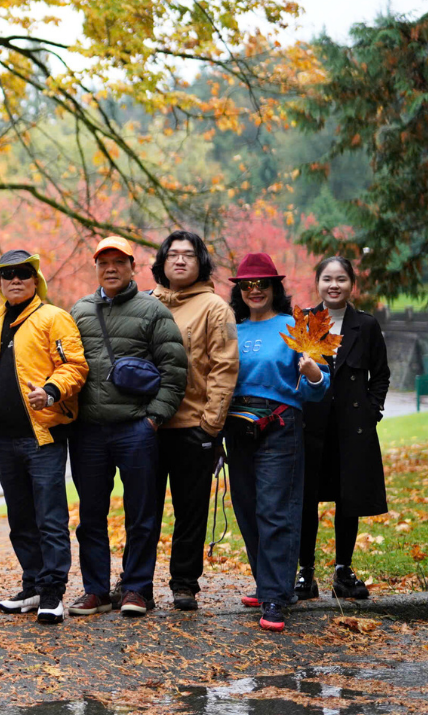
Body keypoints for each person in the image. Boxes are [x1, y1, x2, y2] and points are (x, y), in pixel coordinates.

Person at [68, 237, 187, 619]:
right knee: (90, 515)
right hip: (88, 431)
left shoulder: (152, 310)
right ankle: (95, 591)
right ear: (97, 268)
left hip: (135, 428)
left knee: (141, 513)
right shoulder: (80, 311)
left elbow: (175, 370)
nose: (111, 268)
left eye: (119, 262)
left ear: (133, 267)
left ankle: (136, 588)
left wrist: (153, 419)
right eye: (104, 263)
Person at [0, 251, 88, 625]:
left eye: (23, 273)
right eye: (7, 274)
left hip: (44, 436)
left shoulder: (54, 318)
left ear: (35, 278)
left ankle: (53, 591)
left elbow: (75, 366)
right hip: (5, 439)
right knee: (21, 520)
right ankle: (33, 585)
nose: (15, 280)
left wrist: (51, 391)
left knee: (50, 518)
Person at [226, 252, 329, 632]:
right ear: (239, 291)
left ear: (274, 287)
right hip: (238, 426)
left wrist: (313, 373)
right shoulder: (231, 330)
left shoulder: (296, 326)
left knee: (275, 509)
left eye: (262, 284)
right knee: (247, 507)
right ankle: (268, 581)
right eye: (247, 285)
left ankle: (275, 596)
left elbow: (319, 388)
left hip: (281, 424)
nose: (255, 290)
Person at [146, 231, 239, 611]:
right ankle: (136, 582)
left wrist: (209, 426)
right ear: (162, 262)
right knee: (142, 512)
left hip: (193, 428)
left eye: (188, 255)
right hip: (148, 428)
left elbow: (225, 367)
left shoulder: (215, 308)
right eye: (173, 255)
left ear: (200, 262)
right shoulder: (145, 304)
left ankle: (185, 583)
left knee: (190, 511)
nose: (180, 261)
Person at [295, 256, 389, 601]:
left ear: (351, 284)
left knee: (349, 497)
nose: (334, 286)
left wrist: (371, 412)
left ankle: (343, 569)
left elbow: (380, 375)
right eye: (327, 279)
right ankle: (305, 571)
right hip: (311, 425)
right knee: (306, 499)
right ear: (317, 282)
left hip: (353, 428)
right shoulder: (304, 322)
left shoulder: (364, 326)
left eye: (341, 280)